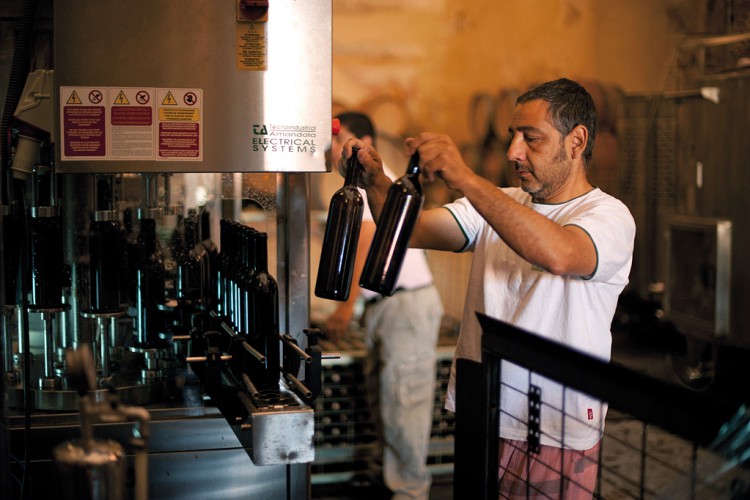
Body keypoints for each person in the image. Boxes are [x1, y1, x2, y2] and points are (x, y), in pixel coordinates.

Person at [339, 79, 636, 499]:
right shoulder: (500, 202)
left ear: (577, 141)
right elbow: (412, 229)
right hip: (483, 408)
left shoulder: (607, 216)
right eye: (513, 135)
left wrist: (464, 176)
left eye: (530, 138)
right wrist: (375, 182)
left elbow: (561, 254)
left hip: (552, 425)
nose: (514, 151)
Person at [323, 112, 444, 500]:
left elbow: (365, 242)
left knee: (403, 407)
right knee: (387, 403)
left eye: (344, 139)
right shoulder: (353, 182)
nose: (337, 147)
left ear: (366, 141)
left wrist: (343, 309)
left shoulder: (375, 179)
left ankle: (409, 493)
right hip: (387, 307)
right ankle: (386, 482)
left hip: (405, 306)